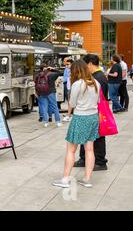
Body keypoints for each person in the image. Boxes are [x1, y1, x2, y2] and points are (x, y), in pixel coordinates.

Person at [53, 60, 100, 189]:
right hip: (93, 117)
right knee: (89, 149)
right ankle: (87, 179)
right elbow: (99, 101)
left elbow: (72, 104)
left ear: (76, 71)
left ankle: (65, 179)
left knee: (71, 150)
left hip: (80, 117)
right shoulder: (96, 83)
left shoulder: (77, 84)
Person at [75, 54, 109, 171]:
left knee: (98, 137)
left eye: (85, 65)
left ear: (89, 64)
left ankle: (100, 161)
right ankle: (84, 159)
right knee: (87, 135)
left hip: (96, 112)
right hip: (93, 111)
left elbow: (100, 99)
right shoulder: (96, 76)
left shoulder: (98, 77)